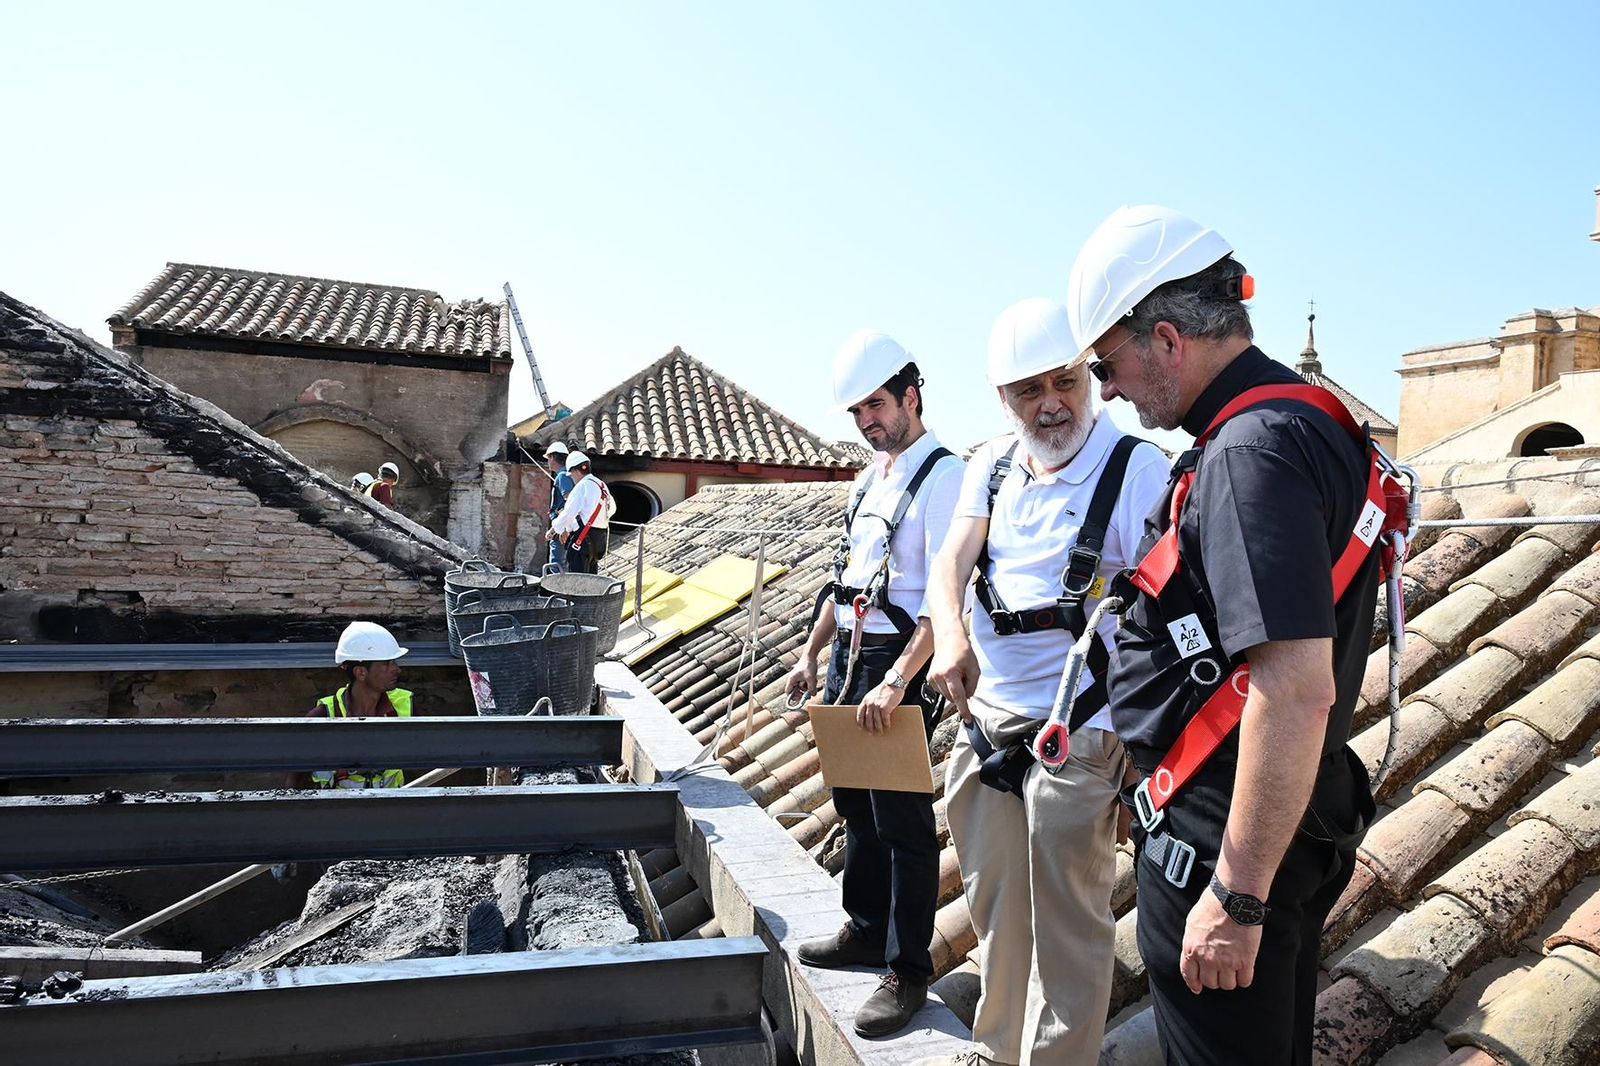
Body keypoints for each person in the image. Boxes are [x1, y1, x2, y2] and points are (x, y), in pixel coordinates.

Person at [1065, 205, 1381, 1065]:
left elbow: (1293, 686)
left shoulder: (1248, 453)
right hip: (1260, 812)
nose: (1109, 392)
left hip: (1224, 839)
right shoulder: (1305, 421)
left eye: (1109, 366)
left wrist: (1236, 900)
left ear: (1166, 338)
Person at [923, 299, 1168, 1066]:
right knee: (996, 918)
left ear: (1090, 377)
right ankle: (996, 1053)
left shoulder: (1137, 472)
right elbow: (948, 566)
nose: (1051, 403)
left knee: (1070, 930)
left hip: (1080, 732)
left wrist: (1140, 753)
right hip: (986, 722)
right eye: (1030, 390)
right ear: (1004, 399)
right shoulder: (990, 465)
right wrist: (952, 635)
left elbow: (1164, 621)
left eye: (1064, 381)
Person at [785, 329, 965, 1038]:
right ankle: (864, 928)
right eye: (857, 412)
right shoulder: (870, 479)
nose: (867, 422)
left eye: (877, 405)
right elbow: (843, 581)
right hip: (847, 662)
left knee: (904, 825)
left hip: (896, 663)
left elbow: (945, 599)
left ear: (911, 396)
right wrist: (808, 655)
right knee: (854, 806)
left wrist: (895, 681)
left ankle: (907, 968)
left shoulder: (945, 477)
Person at [298, 621, 413, 789]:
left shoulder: (405, 705)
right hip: (339, 812)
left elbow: (424, 765)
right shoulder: (322, 716)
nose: (396, 669)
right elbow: (294, 779)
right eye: (387, 663)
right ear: (360, 672)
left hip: (391, 810)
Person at [545, 450, 613, 574]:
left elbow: (568, 513)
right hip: (600, 539)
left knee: (577, 580)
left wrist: (555, 529)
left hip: (583, 540)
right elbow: (612, 508)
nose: (571, 477)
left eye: (571, 474)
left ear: (575, 471)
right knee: (592, 578)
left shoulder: (582, 486)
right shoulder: (601, 485)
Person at [542, 442, 576, 574]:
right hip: (563, 524)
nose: (548, 462)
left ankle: (556, 592)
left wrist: (554, 528)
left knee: (557, 565)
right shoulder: (564, 475)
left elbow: (570, 503)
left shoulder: (562, 476)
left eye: (548, 458)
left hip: (561, 526)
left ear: (552, 457)